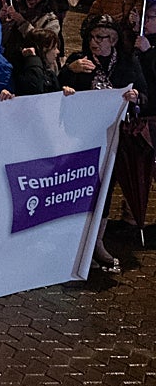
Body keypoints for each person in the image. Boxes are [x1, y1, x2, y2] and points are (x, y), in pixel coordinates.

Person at [59, 15, 146, 271]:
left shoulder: (127, 64)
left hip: (113, 139)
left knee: (105, 189)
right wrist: (68, 74)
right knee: (80, 186)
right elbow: (56, 91)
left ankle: (97, 242)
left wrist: (136, 96)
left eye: (103, 38)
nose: (97, 43)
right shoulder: (78, 60)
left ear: (115, 40)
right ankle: (73, 239)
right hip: (81, 139)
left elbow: (145, 95)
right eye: (93, 37)